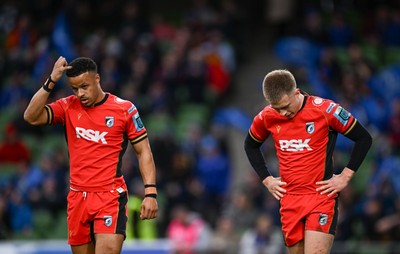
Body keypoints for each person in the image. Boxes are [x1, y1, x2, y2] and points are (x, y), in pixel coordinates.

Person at [24, 56, 158, 254]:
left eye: (84, 86)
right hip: (77, 197)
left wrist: (150, 193)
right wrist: (52, 79)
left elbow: (143, 151)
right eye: (75, 88)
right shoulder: (68, 106)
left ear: (98, 79)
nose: (80, 93)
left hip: (109, 197)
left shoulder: (124, 109)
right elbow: (31, 116)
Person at [244, 69, 372, 254]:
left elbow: (363, 138)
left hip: (320, 196)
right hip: (289, 200)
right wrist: (267, 179)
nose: (283, 112)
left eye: (286, 106)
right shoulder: (267, 116)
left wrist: (345, 175)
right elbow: (250, 146)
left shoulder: (326, 110)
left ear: (296, 92)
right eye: (277, 108)